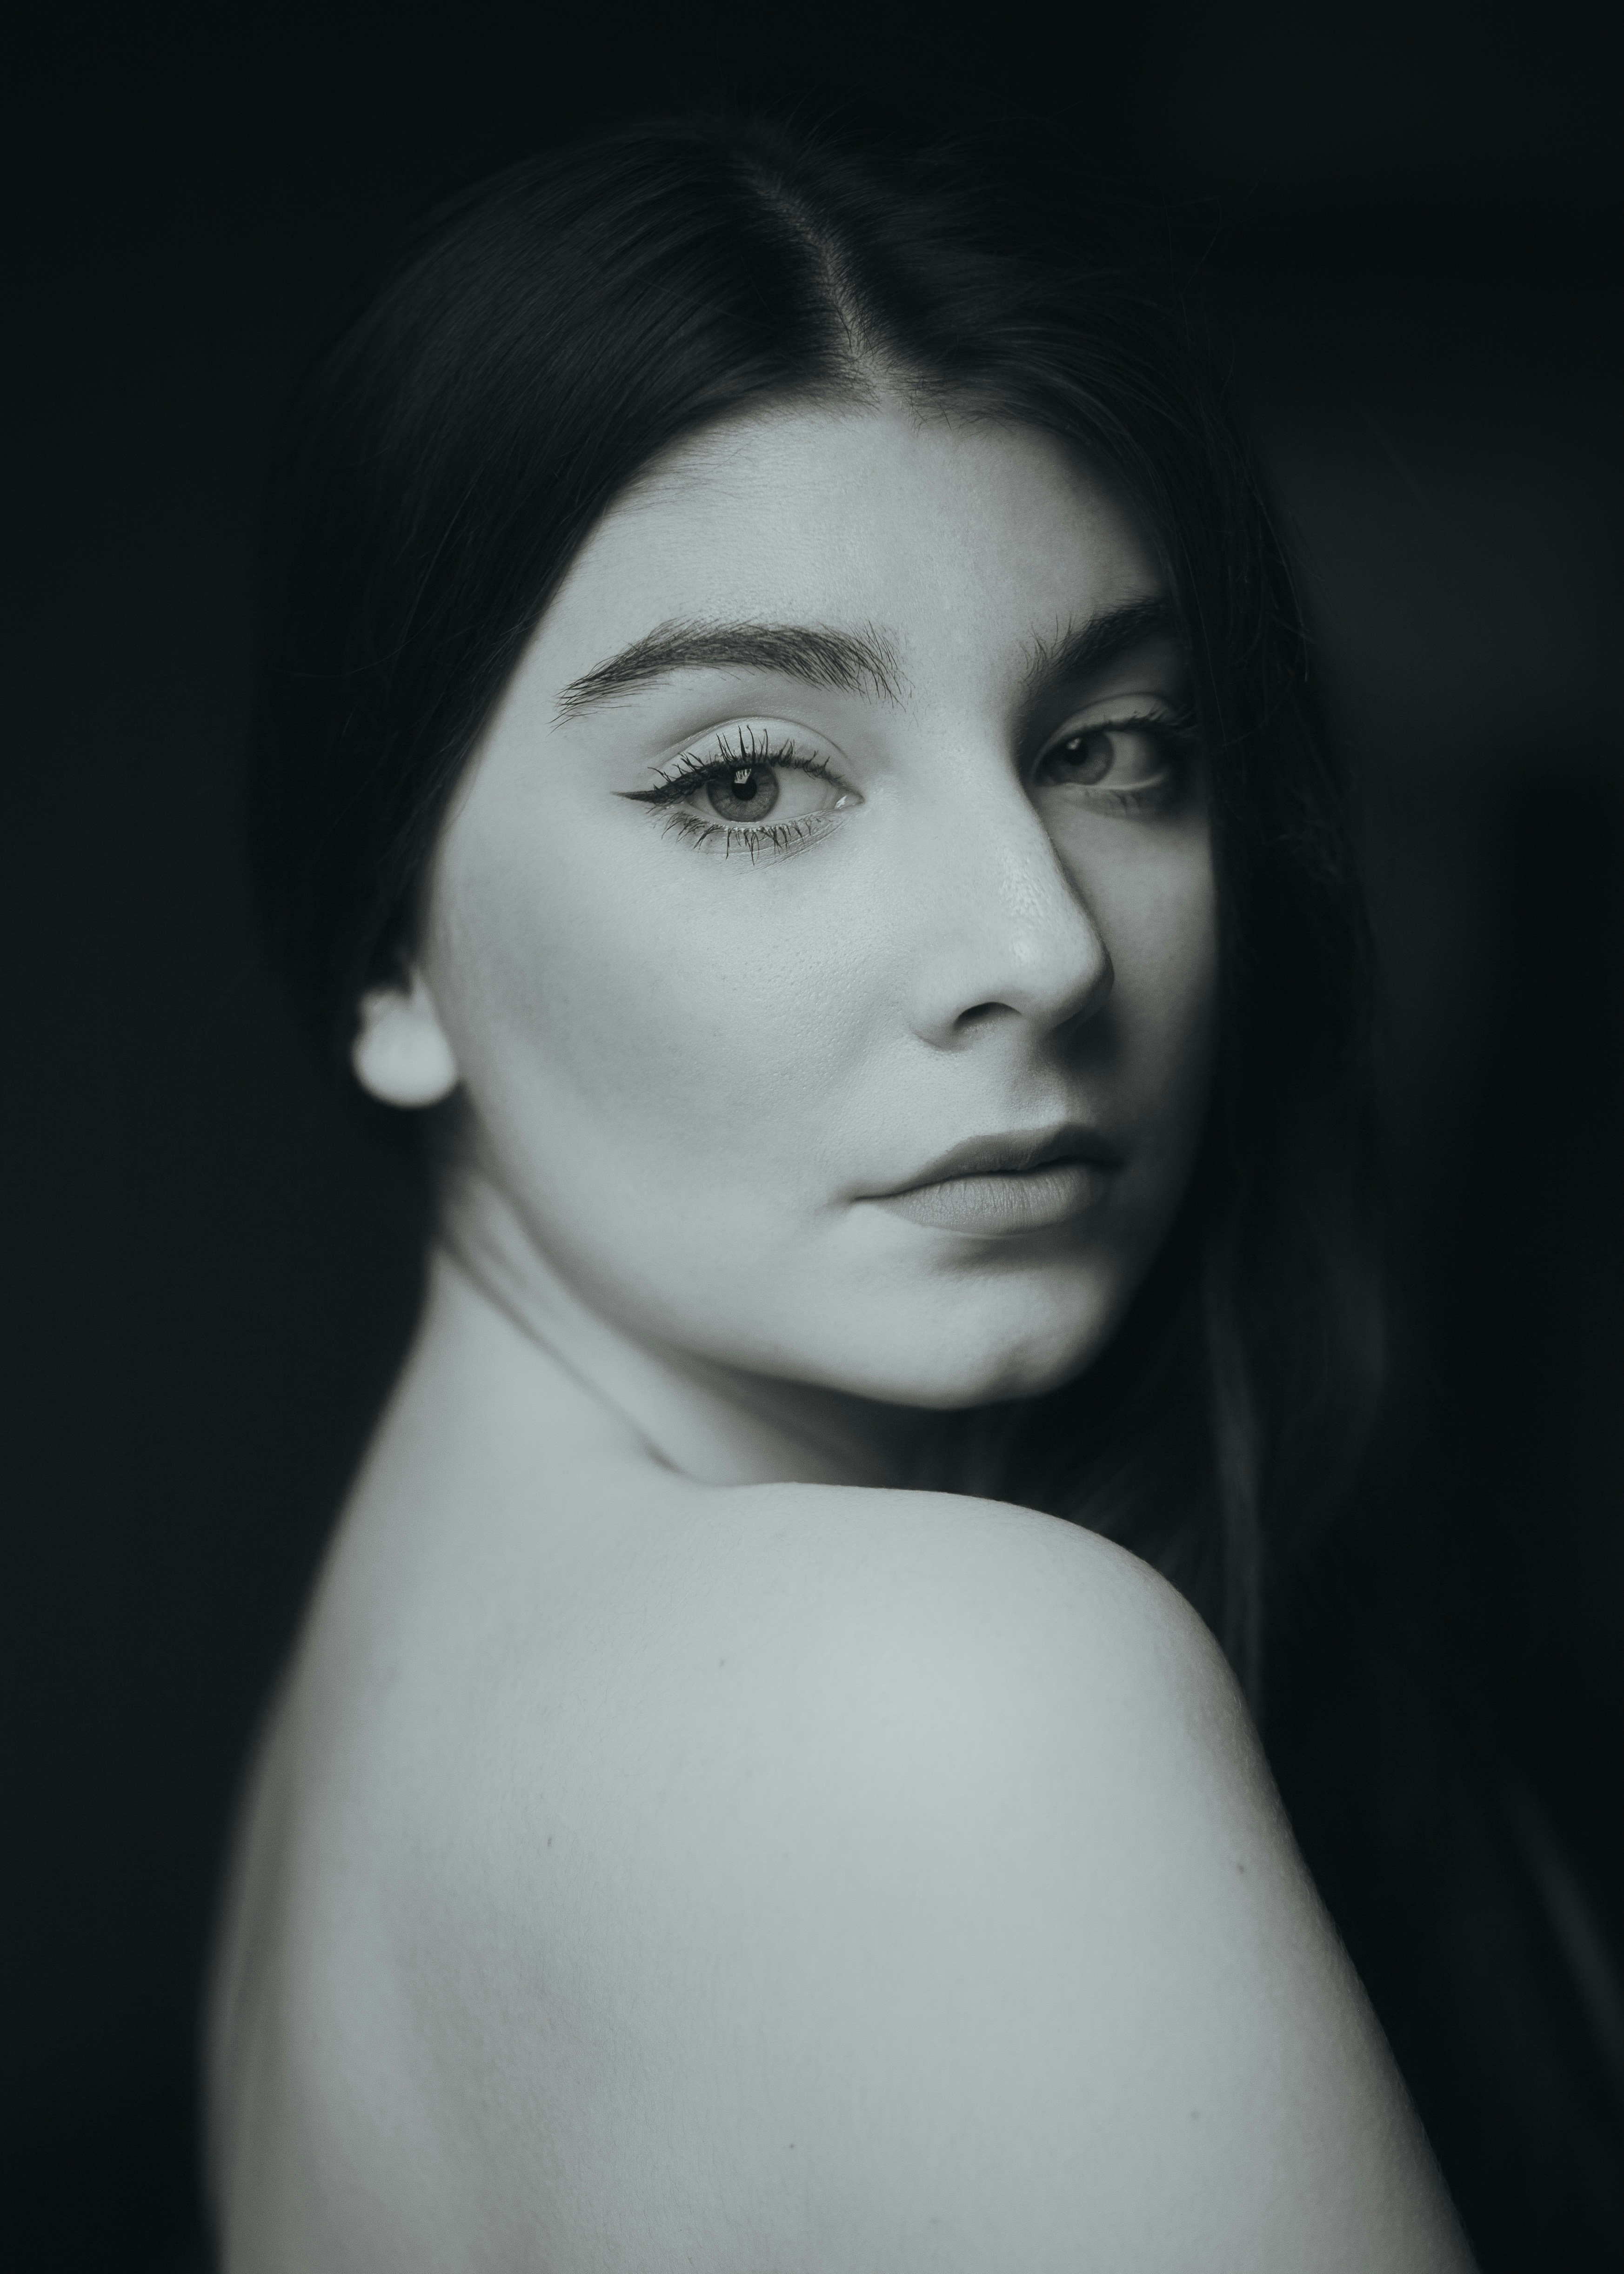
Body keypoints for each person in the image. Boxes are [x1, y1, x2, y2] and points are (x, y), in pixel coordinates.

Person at [207, 113, 1476, 2269]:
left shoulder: (392, 1694)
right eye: (748, 780)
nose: (1043, 946)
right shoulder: (936, 1702)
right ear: (390, 953)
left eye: (1112, 746)